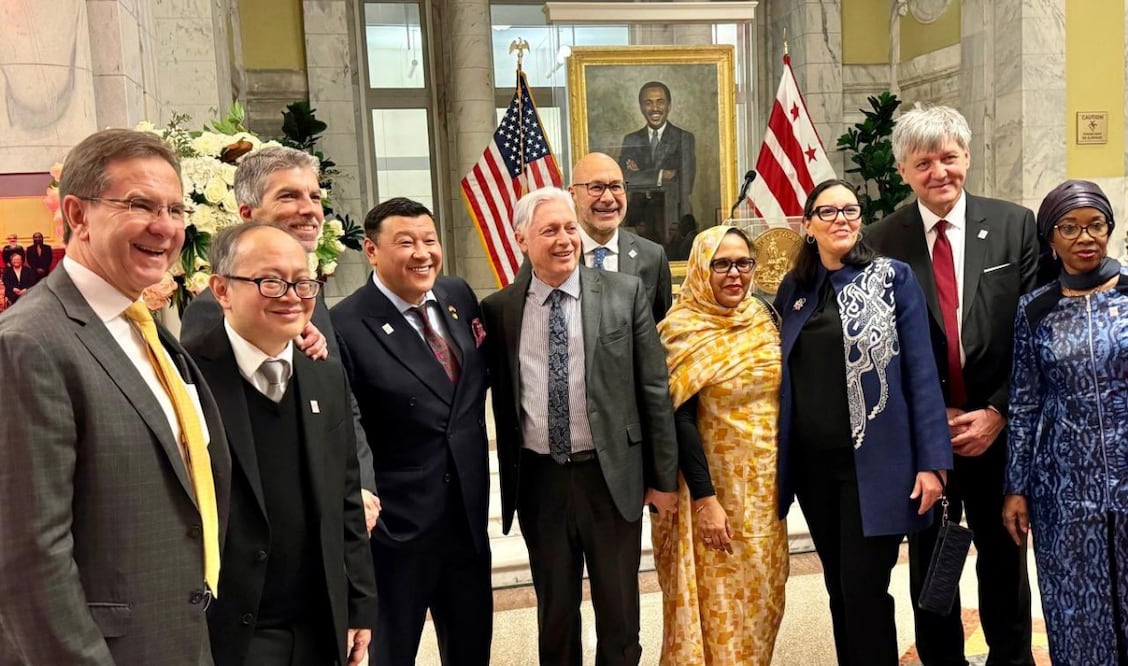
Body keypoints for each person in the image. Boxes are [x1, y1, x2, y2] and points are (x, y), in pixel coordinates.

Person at [0, 128, 231, 664]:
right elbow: (28, 558)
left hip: (180, 637)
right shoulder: (28, 344)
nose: (167, 227)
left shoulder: (143, 328)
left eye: (176, 209)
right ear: (77, 215)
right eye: (140, 205)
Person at [865, 104, 1038, 666]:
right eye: (923, 162)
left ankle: (1009, 659)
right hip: (927, 438)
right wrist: (926, 419)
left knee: (1003, 559)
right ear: (904, 171)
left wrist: (997, 412)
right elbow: (877, 350)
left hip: (997, 428)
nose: (939, 171)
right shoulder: (880, 239)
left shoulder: (1015, 225)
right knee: (931, 564)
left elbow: (1035, 335)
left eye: (949, 157)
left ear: (967, 157)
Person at [481, 187, 679, 665]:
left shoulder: (622, 293)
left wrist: (663, 478)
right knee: (556, 613)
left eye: (570, 227)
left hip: (610, 480)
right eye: (549, 230)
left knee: (620, 612)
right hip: (540, 482)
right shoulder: (500, 309)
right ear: (521, 239)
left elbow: (654, 388)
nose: (565, 239)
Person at [775, 179, 952, 665]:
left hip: (874, 467)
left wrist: (933, 462)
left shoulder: (891, 278)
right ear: (807, 226)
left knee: (864, 589)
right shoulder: (794, 290)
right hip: (814, 471)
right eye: (828, 212)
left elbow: (921, 372)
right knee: (838, 588)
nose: (842, 220)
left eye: (850, 211)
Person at [184, 224, 377, 665]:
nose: (291, 294)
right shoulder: (189, 377)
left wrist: (360, 605)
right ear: (222, 289)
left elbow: (346, 495)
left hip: (318, 624)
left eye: (302, 281)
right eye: (270, 281)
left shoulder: (325, 374)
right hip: (229, 630)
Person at [180, 146, 380, 529]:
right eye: (288, 196)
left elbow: (342, 406)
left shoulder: (310, 298)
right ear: (246, 214)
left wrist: (361, 489)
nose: (309, 209)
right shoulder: (212, 311)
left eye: (314, 196)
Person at [330, 197, 492, 666]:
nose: (423, 253)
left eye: (430, 240)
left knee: (470, 647)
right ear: (371, 250)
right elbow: (349, 424)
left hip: (466, 517)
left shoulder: (458, 296)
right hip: (398, 527)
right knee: (393, 652)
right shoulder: (347, 324)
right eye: (406, 242)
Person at [1002, 180, 1128, 665]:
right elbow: (1025, 402)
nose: (1085, 237)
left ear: (1109, 228)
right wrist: (1016, 486)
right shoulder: (1036, 309)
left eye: (1095, 225)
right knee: (1077, 609)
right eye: (1069, 228)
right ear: (1051, 240)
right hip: (1064, 490)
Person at [652, 225, 788, 665]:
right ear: (699, 268)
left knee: (763, 598)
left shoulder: (765, 319)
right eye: (721, 264)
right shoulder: (681, 329)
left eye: (743, 263)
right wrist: (706, 500)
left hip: (765, 492)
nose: (735, 274)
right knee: (715, 602)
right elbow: (681, 418)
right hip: (710, 489)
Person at [518, 152, 673, 324]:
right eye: (596, 187)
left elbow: (661, 329)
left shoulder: (652, 256)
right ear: (572, 194)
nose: (608, 198)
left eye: (615, 187)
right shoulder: (550, 253)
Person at [618, 82, 696, 241]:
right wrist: (661, 175)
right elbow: (624, 180)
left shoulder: (684, 138)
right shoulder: (631, 139)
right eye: (648, 102)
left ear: (669, 106)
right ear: (641, 107)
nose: (655, 108)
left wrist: (640, 175)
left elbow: (685, 184)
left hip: (671, 219)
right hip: (637, 224)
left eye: (660, 101)